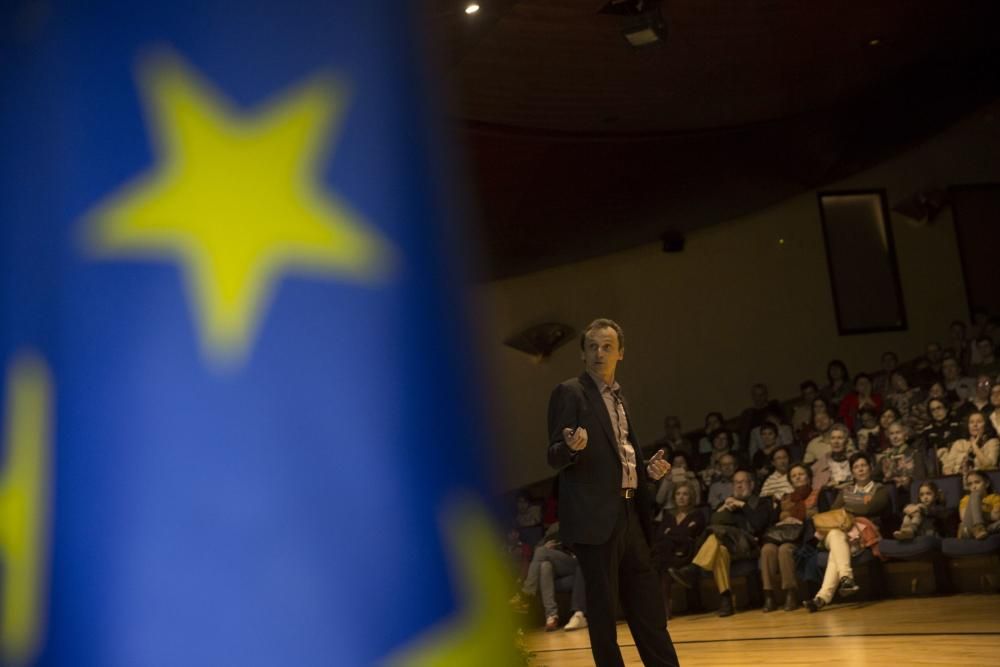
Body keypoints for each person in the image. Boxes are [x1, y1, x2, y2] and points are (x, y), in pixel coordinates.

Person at [546, 318, 678, 666]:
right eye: (592, 346)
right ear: (582, 354)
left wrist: (644, 472)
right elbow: (553, 454)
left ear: (621, 352)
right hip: (595, 522)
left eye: (607, 347)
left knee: (649, 611)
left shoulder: (618, 398)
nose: (599, 353)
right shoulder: (570, 392)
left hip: (631, 515)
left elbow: (619, 456)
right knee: (603, 621)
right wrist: (571, 447)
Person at [669, 470, 771, 618]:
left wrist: (742, 505)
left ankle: (694, 569)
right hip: (727, 546)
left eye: (743, 482)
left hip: (747, 545)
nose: (739, 486)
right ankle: (726, 599)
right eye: (736, 482)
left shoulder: (761, 502)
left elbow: (758, 525)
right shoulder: (727, 504)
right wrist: (723, 509)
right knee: (720, 551)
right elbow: (712, 525)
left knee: (716, 539)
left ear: (752, 484)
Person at [804, 453, 889, 612]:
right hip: (841, 531)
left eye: (863, 465)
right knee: (836, 535)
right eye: (856, 467)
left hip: (864, 534)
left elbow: (869, 508)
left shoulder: (880, 489)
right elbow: (833, 513)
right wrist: (846, 513)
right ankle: (846, 579)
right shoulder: (846, 490)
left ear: (870, 468)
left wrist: (846, 510)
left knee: (836, 548)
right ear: (852, 471)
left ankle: (822, 598)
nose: (860, 469)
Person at [509, 522, 588, 632]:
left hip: (576, 564)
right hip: (565, 575)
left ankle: (526, 594)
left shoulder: (580, 522)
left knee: (541, 552)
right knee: (545, 566)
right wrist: (547, 546)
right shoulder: (555, 527)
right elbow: (538, 546)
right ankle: (552, 616)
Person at [760, 463, 817, 611]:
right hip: (782, 535)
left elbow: (819, 517)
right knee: (767, 549)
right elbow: (773, 520)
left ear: (809, 477)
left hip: (802, 537)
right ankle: (769, 595)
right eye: (794, 475)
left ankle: (790, 593)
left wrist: (799, 519)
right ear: (790, 481)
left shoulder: (816, 494)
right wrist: (783, 518)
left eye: (801, 474)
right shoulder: (785, 498)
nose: (798, 477)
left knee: (785, 550)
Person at [651, 482, 706, 619]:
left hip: (686, 554)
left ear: (691, 497)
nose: (681, 497)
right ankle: (664, 609)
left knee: (661, 560)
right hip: (669, 556)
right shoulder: (668, 515)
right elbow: (659, 536)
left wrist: (670, 533)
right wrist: (680, 533)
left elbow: (690, 536)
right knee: (666, 567)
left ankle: (664, 610)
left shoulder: (697, 514)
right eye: (678, 494)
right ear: (674, 497)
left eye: (685, 494)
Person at [938, 411, 1000, 476]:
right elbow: (947, 467)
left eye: (979, 422)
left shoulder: (993, 443)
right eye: (971, 422)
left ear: (986, 425)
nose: (975, 425)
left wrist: (975, 447)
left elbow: (990, 466)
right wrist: (953, 471)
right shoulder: (959, 444)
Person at [653, 452, 701, 518]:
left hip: (687, 513)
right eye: (676, 463)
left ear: (687, 464)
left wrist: (689, 481)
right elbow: (659, 500)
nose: (678, 465)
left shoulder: (693, 480)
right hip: (668, 512)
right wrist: (667, 481)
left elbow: (697, 501)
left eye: (682, 463)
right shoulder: (668, 479)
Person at [957, 471, 1000, 540]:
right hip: (967, 528)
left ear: (986, 483)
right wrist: (983, 515)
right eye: (970, 484)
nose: (974, 487)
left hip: (986, 529)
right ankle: (978, 526)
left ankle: (981, 530)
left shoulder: (994, 497)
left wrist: (976, 511)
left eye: (977, 482)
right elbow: (964, 517)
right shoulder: (966, 499)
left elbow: (996, 516)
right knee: (975, 494)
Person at [811, 424, 854, 491]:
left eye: (840, 438)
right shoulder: (823, 461)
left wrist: (840, 484)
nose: (836, 442)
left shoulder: (854, 459)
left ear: (846, 441)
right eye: (833, 438)